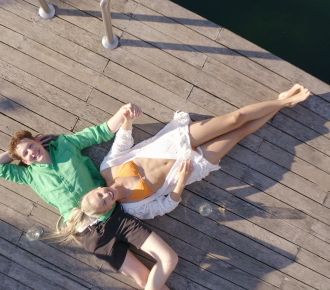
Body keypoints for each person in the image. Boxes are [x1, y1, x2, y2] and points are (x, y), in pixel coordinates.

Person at [0, 104, 199, 290]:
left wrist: (123, 112)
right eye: (26, 154)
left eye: (31, 145)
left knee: (166, 259)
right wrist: (13, 153)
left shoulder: (66, 144)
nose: (31, 152)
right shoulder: (29, 175)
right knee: (144, 279)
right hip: (90, 236)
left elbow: (101, 131)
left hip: (113, 215)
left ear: (39, 141)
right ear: (25, 161)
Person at [79, 84, 311, 220]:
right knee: (239, 133)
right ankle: (282, 103)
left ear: (97, 189)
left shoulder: (108, 170)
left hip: (174, 142)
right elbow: (166, 205)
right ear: (108, 209)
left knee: (235, 119)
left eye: (98, 194)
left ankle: (283, 102)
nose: (105, 195)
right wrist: (181, 181)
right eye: (104, 202)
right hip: (191, 166)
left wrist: (128, 121)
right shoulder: (134, 208)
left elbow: (122, 141)